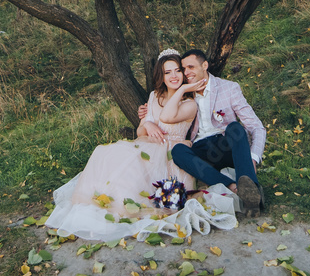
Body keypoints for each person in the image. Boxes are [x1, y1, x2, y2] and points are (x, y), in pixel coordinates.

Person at [45, 50, 203, 238]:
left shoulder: (189, 102)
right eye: (168, 72)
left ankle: (125, 207)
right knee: (109, 154)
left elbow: (168, 116)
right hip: (147, 145)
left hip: (171, 154)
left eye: (177, 70)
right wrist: (148, 122)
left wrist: (183, 89)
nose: (174, 76)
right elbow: (140, 132)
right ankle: (106, 203)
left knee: (136, 171)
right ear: (161, 76)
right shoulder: (154, 96)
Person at [167, 48, 266, 215]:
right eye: (183, 69)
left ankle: (251, 186)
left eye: (190, 67)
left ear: (204, 65)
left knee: (235, 128)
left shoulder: (229, 88)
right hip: (202, 154)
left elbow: (256, 126)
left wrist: (253, 159)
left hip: (225, 146)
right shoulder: (184, 93)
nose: (186, 72)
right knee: (178, 151)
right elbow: (166, 113)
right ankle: (234, 187)